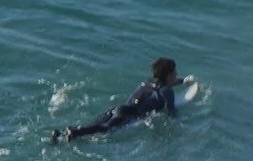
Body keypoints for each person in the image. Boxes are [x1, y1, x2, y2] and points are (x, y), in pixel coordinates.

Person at [51, 58, 190, 143]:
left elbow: (165, 83)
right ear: (169, 74)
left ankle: (60, 134)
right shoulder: (167, 92)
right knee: (104, 129)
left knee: (94, 126)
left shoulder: (147, 82)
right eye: (175, 72)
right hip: (128, 115)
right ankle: (75, 132)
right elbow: (172, 112)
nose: (177, 74)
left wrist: (183, 81)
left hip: (118, 108)